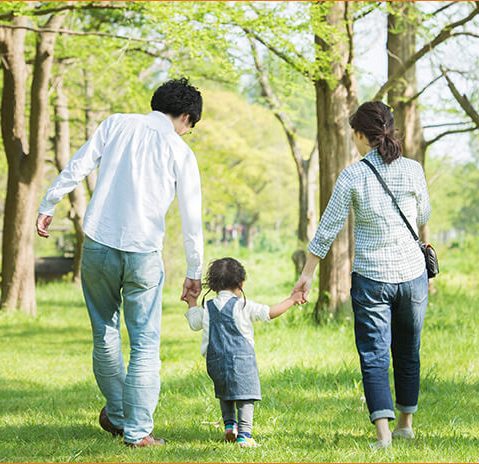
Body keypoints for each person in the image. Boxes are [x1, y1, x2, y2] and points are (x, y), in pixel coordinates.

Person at [36, 78, 205, 448]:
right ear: (186, 117)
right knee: (145, 342)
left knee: (105, 332)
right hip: (143, 252)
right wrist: (195, 272)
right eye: (189, 126)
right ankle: (138, 431)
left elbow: (79, 164)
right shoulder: (180, 151)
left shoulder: (116, 124)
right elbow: (193, 217)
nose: (187, 132)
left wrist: (49, 203)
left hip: (98, 243)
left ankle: (116, 414)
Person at [292, 101, 431, 449]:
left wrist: (307, 274)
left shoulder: (352, 176)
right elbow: (424, 213)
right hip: (413, 275)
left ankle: (383, 437)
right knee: (408, 350)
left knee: (374, 354)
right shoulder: (413, 169)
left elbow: (326, 231)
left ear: (358, 135)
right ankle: (405, 424)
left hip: (372, 278)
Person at [183, 257, 300, 447]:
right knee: (246, 396)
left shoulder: (208, 307)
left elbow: (194, 323)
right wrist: (291, 300)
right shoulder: (242, 305)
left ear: (213, 286)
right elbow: (269, 312)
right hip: (241, 361)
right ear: (241, 283)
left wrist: (191, 301)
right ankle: (244, 435)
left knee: (225, 392)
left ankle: (230, 426)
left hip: (215, 362)